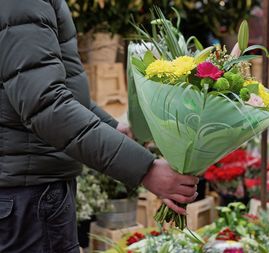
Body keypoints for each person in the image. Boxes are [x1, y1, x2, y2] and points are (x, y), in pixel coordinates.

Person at [0, 1, 198, 252]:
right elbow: (46, 106)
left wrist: (111, 127)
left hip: (28, 193)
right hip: (29, 200)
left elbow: (55, 91)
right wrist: (145, 170)